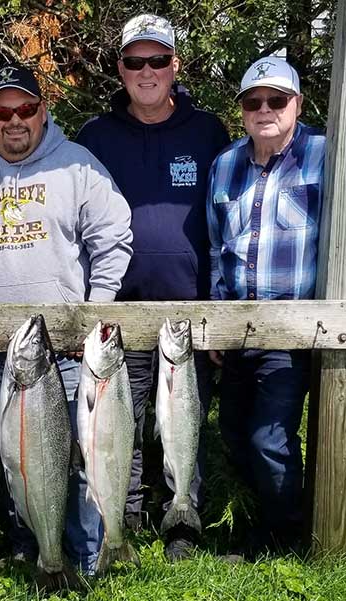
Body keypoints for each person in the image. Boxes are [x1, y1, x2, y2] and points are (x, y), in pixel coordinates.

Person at [0, 63, 133, 574]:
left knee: (76, 458)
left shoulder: (79, 167)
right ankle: (27, 548)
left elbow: (114, 238)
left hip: (62, 350)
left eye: (25, 109)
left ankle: (87, 554)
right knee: (7, 459)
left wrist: (96, 312)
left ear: (43, 111)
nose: (14, 120)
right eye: (1, 110)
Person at [75, 13, 230, 561]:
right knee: (122, 419)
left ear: (175, 65)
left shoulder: (208, 132)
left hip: (188, 312)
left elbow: (225, 222)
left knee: (181, 422)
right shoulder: (94, 137)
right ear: (120, 68)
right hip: (116, 310)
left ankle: (181, 516)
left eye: (158, 60)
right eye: (135, 61)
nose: (147, 71)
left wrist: (217, 307)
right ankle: (129, 512)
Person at [207, 57, 324, 555]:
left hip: (293, 329)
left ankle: (285, 532)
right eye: (254, 101)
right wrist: (214, 320)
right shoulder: (225, 164)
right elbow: (217, 250)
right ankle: (252, 520)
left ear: (297, 103)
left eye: (277, 100)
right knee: (233, 433)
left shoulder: (326, 156)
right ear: (241, 110)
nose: (265, 109)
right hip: (235, 326)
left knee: (269, 439)